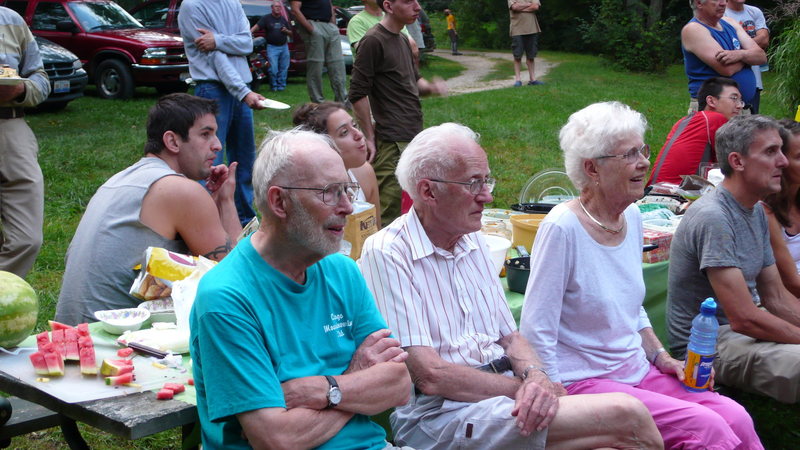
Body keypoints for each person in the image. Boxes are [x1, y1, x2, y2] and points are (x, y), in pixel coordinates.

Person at [359, 122, 664, 449]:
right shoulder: (388, 252)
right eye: (474, 183)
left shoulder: (471, 239)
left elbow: (511, 336)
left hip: (502, 397)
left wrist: (536, 376)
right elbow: (430, 376)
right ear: (428, 191)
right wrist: (524, 390)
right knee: (628, 415)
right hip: (442, 415)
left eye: (486, 180)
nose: (487, 195)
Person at [520, 102, 762, 449]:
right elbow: (535, 327)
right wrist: (561, 397)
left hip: (636, 370)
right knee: (706, 428)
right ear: (592, 168)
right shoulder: (563, 227)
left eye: (643, 149)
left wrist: (662, 357)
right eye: (629, 154)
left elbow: (632, 307)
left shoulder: (631, 216)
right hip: (584, 381)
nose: (645, 161)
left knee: (735, 416)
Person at [190, 128, 410, 449]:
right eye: (330, 192)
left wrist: (325, 389)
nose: (348, 207)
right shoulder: (226, 297)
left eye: (347, 190)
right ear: (280, 201)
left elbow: (399, 385)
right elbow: (277, 439)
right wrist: (357, 377)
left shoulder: (343, 271)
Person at [55, 94, 242, 325]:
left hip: (68, 335)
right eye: (205, 134)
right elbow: (237, 275)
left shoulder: (119, 180)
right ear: (172, 142)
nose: (218, 144)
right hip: (112, 343)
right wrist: (226, 202)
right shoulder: (181, 190)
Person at [668, 115, 800, 404]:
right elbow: (743, 319)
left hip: (740, 331)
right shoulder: (714, 217)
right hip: (707, 345)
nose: (783, 161)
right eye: (770, 152)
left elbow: (776, 297)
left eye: (781, 150)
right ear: (737, 162)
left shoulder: (755, 211)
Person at [349, 0, 447, 226]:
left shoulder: (402, 38)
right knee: (387, 213)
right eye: (408, 1)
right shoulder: (373, 40)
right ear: (389, 6)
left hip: (412, 135)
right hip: (390, 139)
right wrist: (369, 137)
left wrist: (431, 88)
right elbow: (357, 93)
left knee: (411, 207)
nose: (417, 7)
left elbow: (414, 80)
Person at [179, 0, 266, 226]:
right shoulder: (192, 6)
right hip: (213, 88)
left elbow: (247, 44)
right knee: (209, 162)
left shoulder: (232, 3)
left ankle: (245, 221)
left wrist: (218, 40)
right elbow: (214, 57)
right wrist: (244, 93)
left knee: (245, 161)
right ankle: (206, 222)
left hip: (240, 91)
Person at [0, 7, 49, 280]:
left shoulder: (11, 20)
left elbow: (41, 80)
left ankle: (5, 292)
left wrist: (19, 89)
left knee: (27, 239)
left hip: (11, 128)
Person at [293, 101, 382, 226]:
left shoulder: (364, 173)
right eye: (344, 132)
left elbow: (375, 232)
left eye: (354, 125)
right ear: (324, 144)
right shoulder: (311, 190)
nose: (359, 135)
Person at [648, 77, 743, 186]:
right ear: (711, 101)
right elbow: (735, 165)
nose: (739, 105)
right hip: (677, 195)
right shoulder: (715, 119)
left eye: (740, 100)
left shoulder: (685, 121)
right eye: (734, 98)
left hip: (655, 189)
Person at [681, 0, 765, 111]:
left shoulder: (730, 22)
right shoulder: (693, 29)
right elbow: (727, 69)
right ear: (699, 3)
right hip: (713, 109)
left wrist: (740, 54)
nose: (723, 3)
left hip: (740, 109)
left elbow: (761, 56)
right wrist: (749, 57)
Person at [764, 121, 800, 297]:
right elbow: (791, 283)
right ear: (781, 162)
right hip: (780, 300)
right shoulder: (765, 211)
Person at [290, 0, 349, 104]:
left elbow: (330, 6)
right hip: (313, 24)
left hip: (329, 27)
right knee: (316, 65)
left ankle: (342, 101)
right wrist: (311, 29)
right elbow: (295, 10)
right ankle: (318, 102)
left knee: (338, 64)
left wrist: (333, 25)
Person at [725, 0, 769, 114]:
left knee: (751, 124)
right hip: (727, 83)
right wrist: (752, 50)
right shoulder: (721, 13)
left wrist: (738, 50)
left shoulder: (754, 11)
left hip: (754, 82)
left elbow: (764, 39)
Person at [251, 2, 292, 92]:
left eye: (279, 7)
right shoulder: (266, 18)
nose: (278, 8)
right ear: (272, 8)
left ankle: (281, 87)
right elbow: (256, 27)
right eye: (276, 7)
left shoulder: (283, 19)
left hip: (284, 47)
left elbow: (291, 33)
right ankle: (274, 87)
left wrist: (286, 31)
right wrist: (249, 33)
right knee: (273, 69)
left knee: (284, 68)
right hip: (272, 47)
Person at [508, 0, 543, 87]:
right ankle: (518, 80)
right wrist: (529, 4)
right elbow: (514, 7)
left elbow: (535, 7)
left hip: (532, 28)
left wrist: (521, 7)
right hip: (517, 29)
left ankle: (532, 79)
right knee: (517, 55)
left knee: (531, 56)